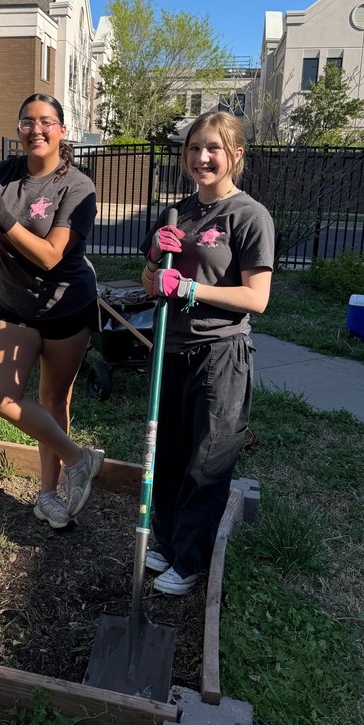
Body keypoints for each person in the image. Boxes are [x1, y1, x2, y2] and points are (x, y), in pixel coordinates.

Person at [139, 112, 274, 595]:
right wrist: (156, 257)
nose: (202, 158)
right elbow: (150, 282)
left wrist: (192, 288)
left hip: (220, 354)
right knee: (170, 454)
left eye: (213, 148)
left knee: (207, 460)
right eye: (194, 148)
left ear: (235, 154)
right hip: (171, 350)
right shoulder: (176, 214)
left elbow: (257, 298)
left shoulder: (249, 216)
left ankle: (191, 558)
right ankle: (169, 540)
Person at [0, 93, 104, 530]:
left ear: (62, 130)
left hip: (66, 305)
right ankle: (79, 460)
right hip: (16, 304)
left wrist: (4, 218)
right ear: (19, 128)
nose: (36, 130)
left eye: (47, 121)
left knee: (52, 400)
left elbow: (50, 255)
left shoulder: (78, 186)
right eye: (27, 121)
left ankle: (49, 496)